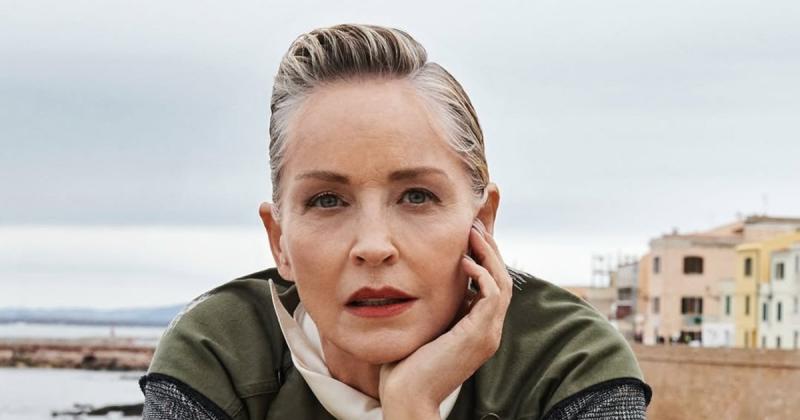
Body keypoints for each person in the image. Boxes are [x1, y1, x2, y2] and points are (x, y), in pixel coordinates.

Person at [139, 24, 651, 419]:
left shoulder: (570, 365)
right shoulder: (218, 355)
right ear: (280, 242)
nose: (373, 246)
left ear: (482, 223)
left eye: (416, 196)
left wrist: (411, 404)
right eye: (327, 201)